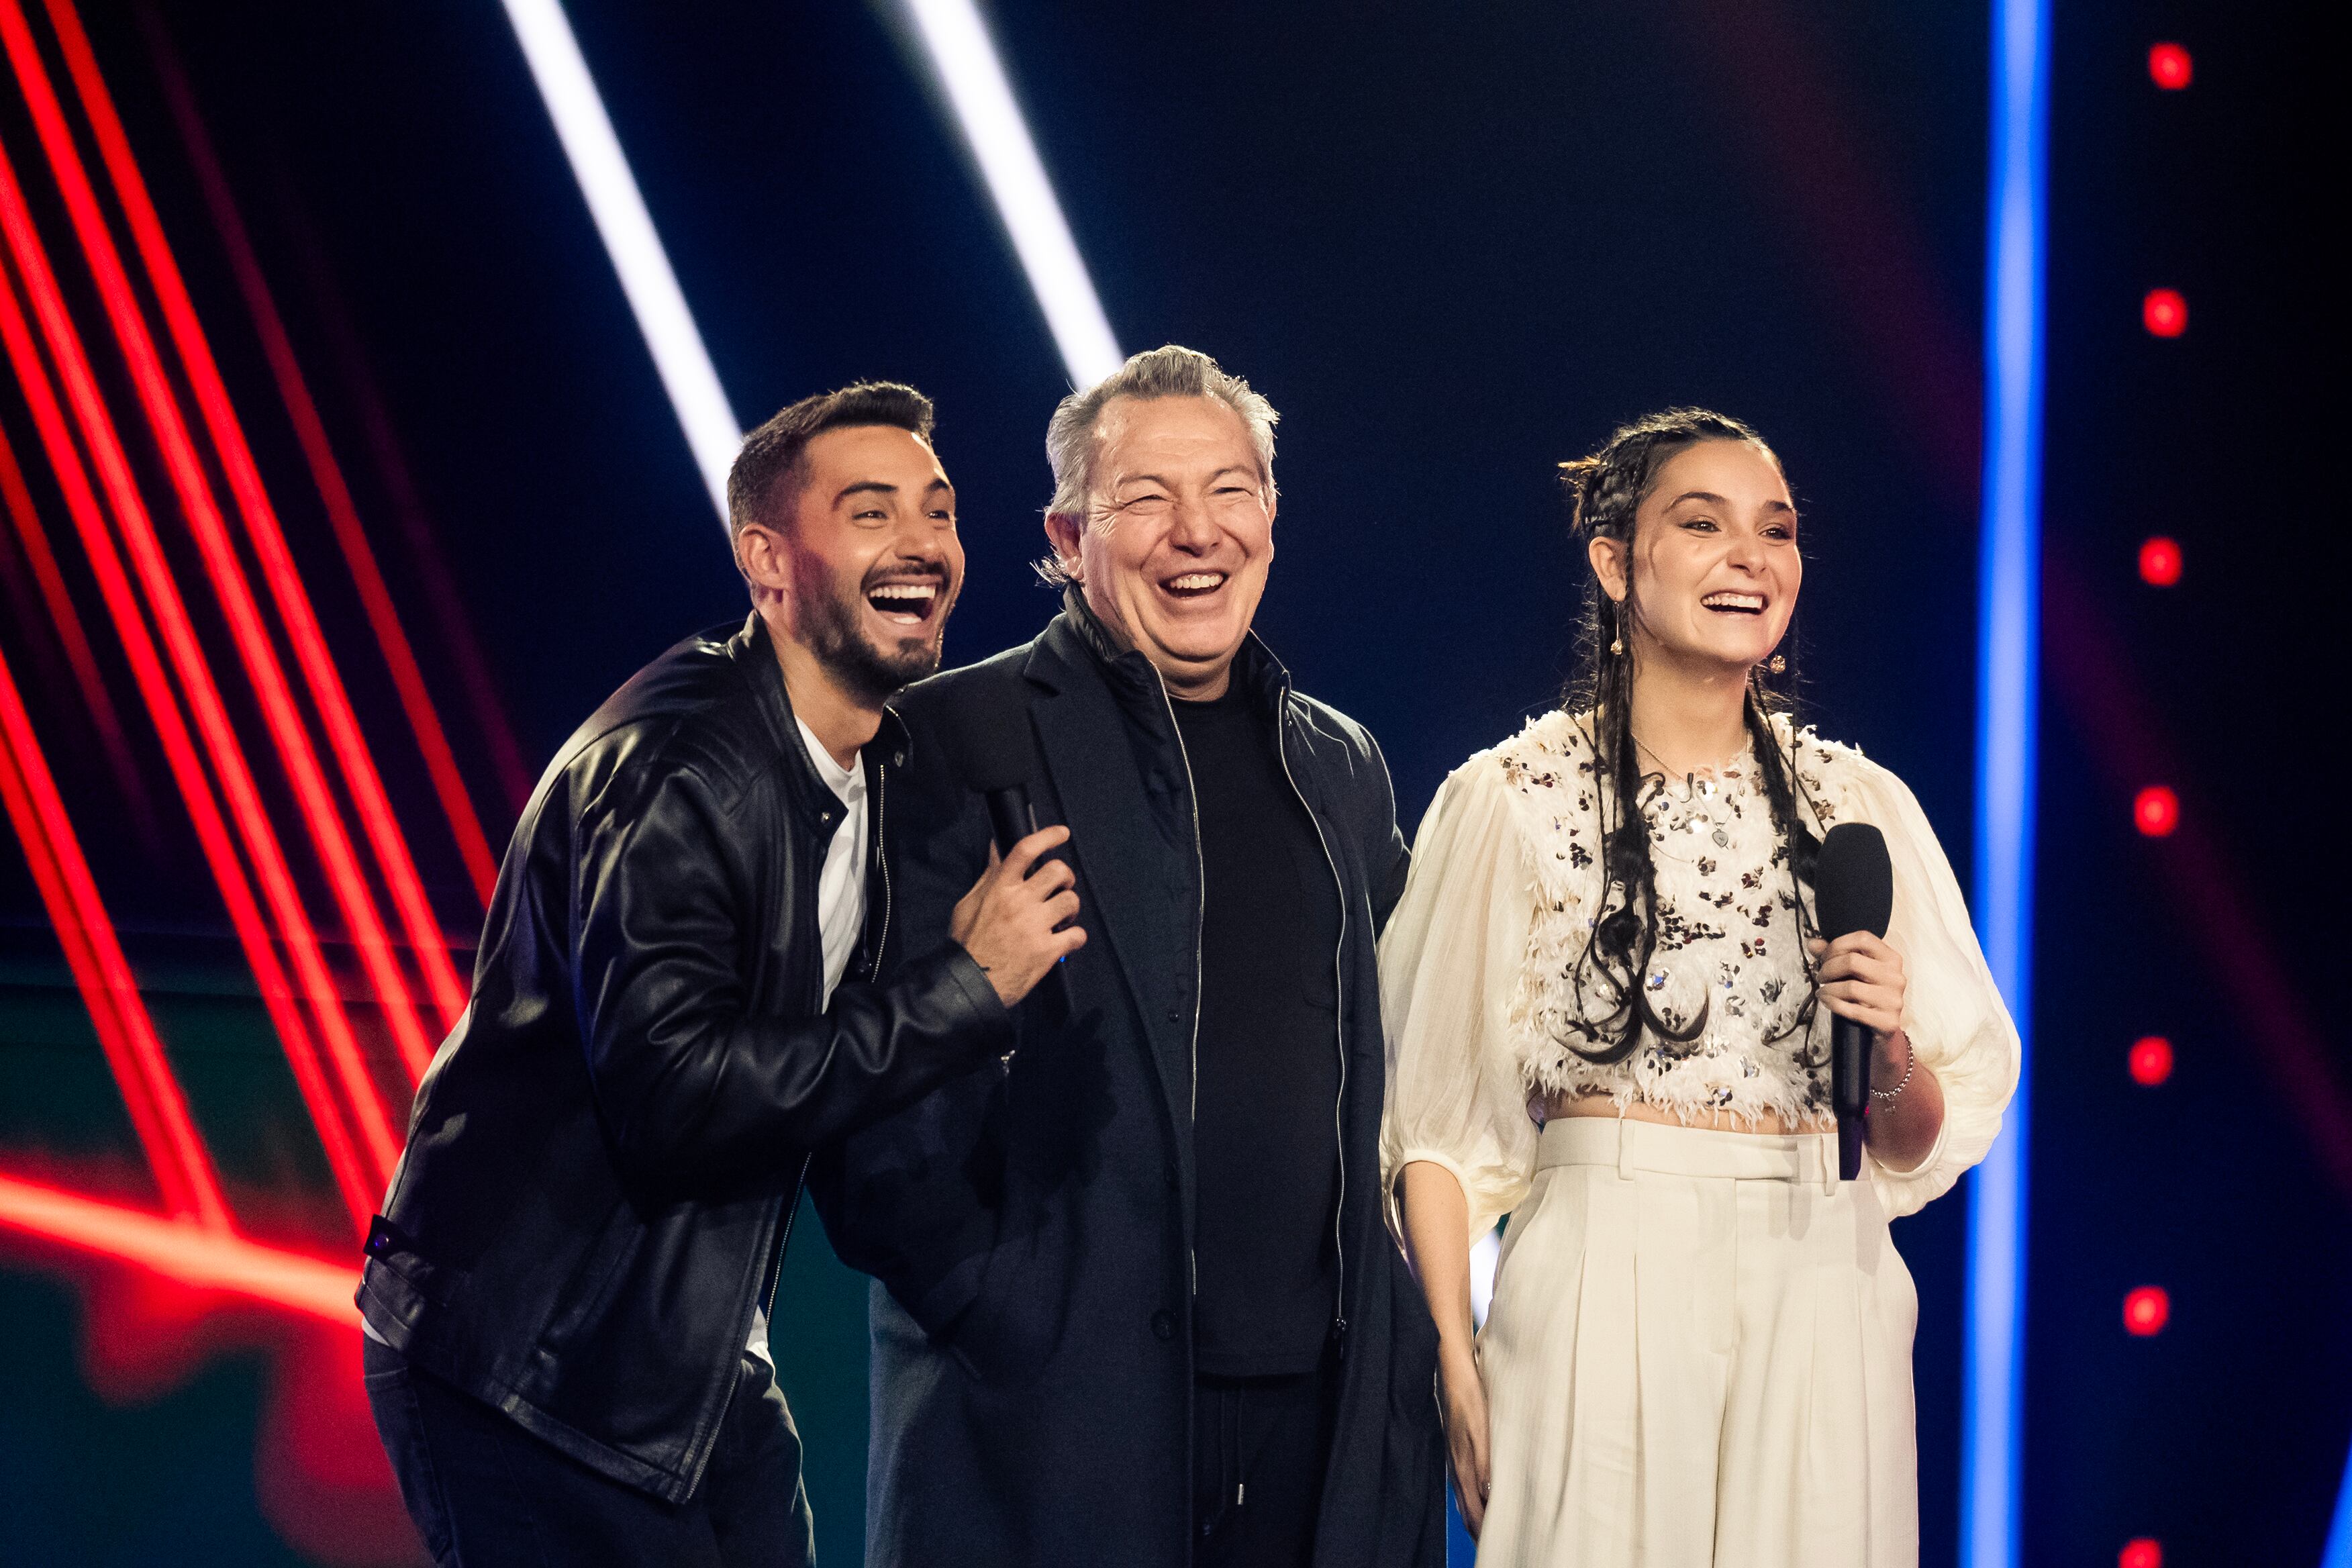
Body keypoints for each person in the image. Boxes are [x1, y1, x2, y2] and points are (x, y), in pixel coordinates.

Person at [356, 383, 1083, 1567]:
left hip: (692, 1367)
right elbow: (677, 1100)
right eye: (869, 512)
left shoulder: (871, 762)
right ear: (767, 560)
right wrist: (963, 986)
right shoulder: (676, 772)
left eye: (938, 512)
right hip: (529, 1374)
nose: (922, 545)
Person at [811, 346, 1447, 1567]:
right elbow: (864, 1116)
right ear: (1065, 535)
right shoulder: (945, 741)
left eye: (1231, 490)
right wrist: (1005, 1315)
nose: (1194, 533)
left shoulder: (1341, 767)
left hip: (1316, 1420)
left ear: (1271, 514)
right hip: (1058, 1426)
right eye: (1145, 499)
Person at [1381, 408, 2019, 1567]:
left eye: (1774, 532)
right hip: (1601, 1267)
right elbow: (1431, 1126)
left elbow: (1917, 1138)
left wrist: (1890, 1058)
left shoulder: (1860, 809)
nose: (1751, 557)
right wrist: (1454, 1363)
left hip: (1825, 1270)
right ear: (1616, 562)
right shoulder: (1512, 799)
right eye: (1703, 523)